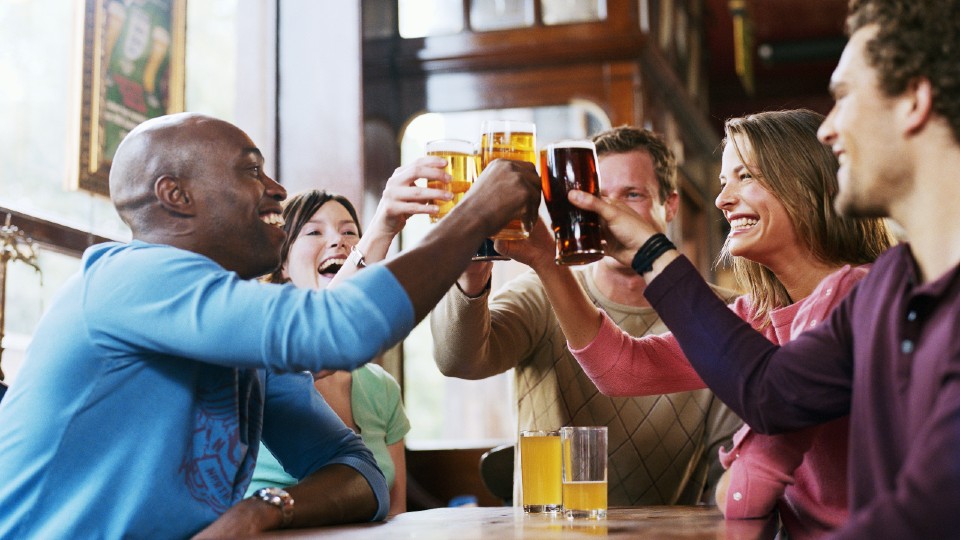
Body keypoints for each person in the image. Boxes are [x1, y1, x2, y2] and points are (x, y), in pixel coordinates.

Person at [0, 112, 540, 538]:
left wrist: (264, 509)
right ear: (175, 195)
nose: (279, 189)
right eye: (252, 169)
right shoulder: (132, 278)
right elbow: (342, 330)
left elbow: (361, 473)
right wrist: (474, 216)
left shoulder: (236, 339)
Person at [565, 1, 960, 536]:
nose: (828, 129)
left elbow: (926, 512)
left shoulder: (861, 289)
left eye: (843, 97)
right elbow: (770, 393)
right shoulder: (888, 286)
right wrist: (643, 252)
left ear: (914, 99)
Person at [543, 110, 891, 539]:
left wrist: (652, 252)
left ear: (807, 183)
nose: (722, 200)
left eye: (745, 176)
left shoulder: (860, 295)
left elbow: (747, 491)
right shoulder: (759, 313)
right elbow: (620, 369)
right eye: (724, 182)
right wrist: (545, 258)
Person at [431, 126, 742, 506]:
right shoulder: (540, 294)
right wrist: (472, 272)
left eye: (632, 194)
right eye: (593, 196)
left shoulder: (723, 315)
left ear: (670, 204)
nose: (607, 211)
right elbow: (456, 360)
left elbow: (729, 472)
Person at [245, 185, 424, 516]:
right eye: (314, 231)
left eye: (350, 232)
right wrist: (382, 226)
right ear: (282, 265)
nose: (338, 241)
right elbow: (319, 335)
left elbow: (395, 514)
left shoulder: (380, 388)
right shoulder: (259, 359)